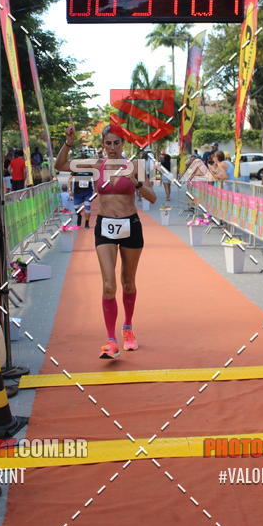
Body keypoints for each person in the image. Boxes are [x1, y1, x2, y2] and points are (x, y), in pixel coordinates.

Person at [55, 123, 156, 359]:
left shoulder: (135, 166)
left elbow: (152, 197)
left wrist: (137, 182)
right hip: (105, 228)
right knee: (109, 285)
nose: (112, 147)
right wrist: (69, 142)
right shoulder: (95, 166)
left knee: (128, 282)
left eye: (116, 143)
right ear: (103, 144)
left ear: (123, 144)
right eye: (108, 143)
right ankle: (111, 340)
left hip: (130, 226)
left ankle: (128, 328)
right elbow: (60, 166)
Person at [69, 154, 95, 228]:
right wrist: (70, 190)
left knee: (87, 206)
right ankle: (79, 216)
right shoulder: (76, 169)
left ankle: (87, 223)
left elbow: (96, 179)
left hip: (88, 191)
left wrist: (96, 191)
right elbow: (70, 179)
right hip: (77, 192)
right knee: (76, 207)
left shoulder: (91, 170)